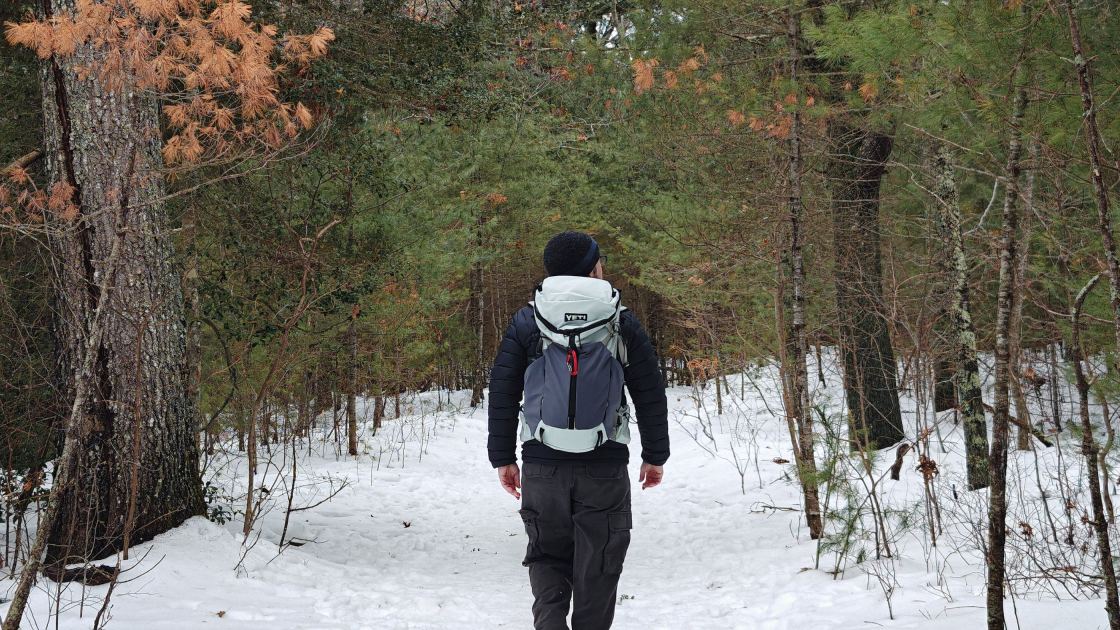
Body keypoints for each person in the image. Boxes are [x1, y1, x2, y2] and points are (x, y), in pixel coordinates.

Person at [487, 230, 669, 630]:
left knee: (547, 555)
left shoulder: (528, 320)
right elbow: (650, 391)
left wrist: (503, 457)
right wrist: (655, 455)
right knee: (600, 563)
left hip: (543, 464)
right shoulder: (620, 320)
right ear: (592, 269)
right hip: (604, 466)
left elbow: (502, 390)